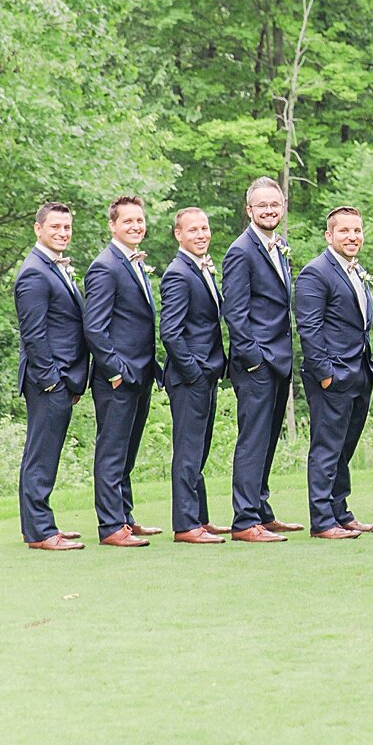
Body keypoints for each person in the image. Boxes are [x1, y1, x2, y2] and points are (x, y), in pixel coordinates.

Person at [221, 177, 302, 542]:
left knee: (268, 439)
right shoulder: (241, 251)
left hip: (279, 360)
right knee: (253, 440)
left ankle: (262, 510)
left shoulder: (278, 245)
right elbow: (235, 314)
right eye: (262, 206)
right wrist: (254, 360)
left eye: (275, 204)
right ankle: (244, 520)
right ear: (249, 210)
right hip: (256, 364)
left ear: (282, 207)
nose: (269, 210)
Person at [294, 206, 373, 539]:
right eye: (344, 231)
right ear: (329, 235)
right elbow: (310, 328)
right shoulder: (316, 272)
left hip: (359, 372)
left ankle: (340, 513)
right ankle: (322, 521)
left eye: (357, 230)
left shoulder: (355, 271)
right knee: (326, 448)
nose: (352, 237)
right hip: (331, 376)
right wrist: (326, 374)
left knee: (344, 448)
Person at [83, 195, 162, 547]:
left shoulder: (133, 262)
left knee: (128, 451)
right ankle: (111, 526)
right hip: (118, 376)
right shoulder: (105, 265)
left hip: (141, 373)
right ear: (113, 225)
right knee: (112, 451)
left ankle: (125, 517)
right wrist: (115, 370)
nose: (136, 226)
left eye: (140, 220)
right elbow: (95, 328)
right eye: (128, 221)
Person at [14, 203, 89, 550]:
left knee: (46, 453)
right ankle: (41, 532)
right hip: (48, 379)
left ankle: (40, 525)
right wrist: (52, 381)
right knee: (40, 455)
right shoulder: (34, 272)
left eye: (67, 227)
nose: (62, 233)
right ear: (38, 229)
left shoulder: (55, 268)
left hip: (63, 378)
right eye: (56, 227)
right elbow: (34, 334)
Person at [158, 206, 229, 543]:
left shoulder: (200, 269)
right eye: (194, 230)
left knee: (199, 450)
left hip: (206, 373)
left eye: (205, 228)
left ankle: (200, 518)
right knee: (187, 452)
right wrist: (195, 373)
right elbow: (170, 332)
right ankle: (186, 525)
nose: (202, 235)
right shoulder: (177, 273)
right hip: (190, 378)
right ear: (179, 234)